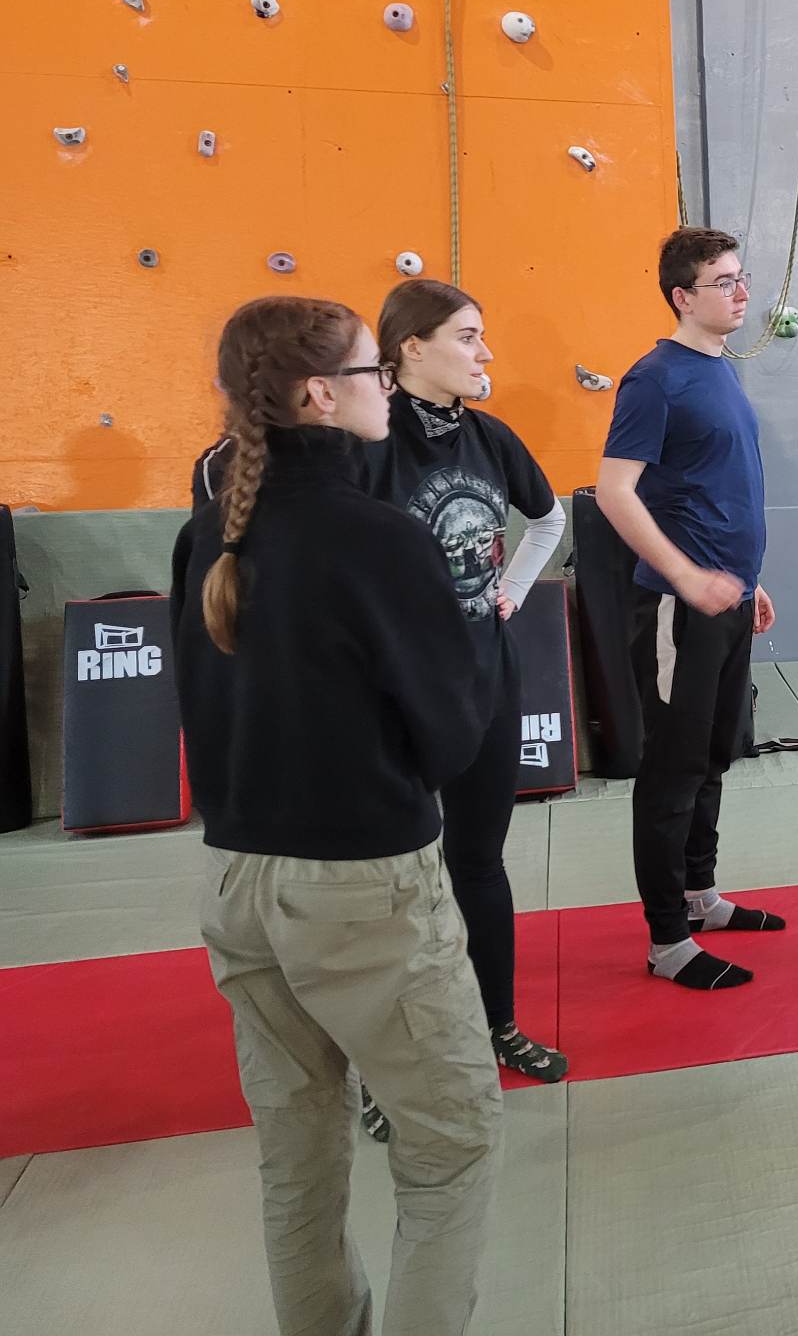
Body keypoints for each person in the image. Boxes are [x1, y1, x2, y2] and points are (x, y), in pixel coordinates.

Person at [172, 296, 500, 1334]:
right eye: (373, 373)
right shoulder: (379, 539)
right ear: (321, 393)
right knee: (451, 1145)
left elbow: (199, 714)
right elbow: (450, 734)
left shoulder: (208, 533)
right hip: (361, 885)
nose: (386, 391)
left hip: (238, 879)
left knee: (298, 1155)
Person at [360, 279, 570, 1079]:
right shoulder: (366, 442)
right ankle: (386, 1060)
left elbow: (548, 516)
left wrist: (508, 590)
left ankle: (496, 1024)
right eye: (468, 336)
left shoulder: (489, 436)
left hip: (484, 674)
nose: (485, 352)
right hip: (394, 693)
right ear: (412, 346)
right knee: (390, 878)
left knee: (479, 860)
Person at [596, 227, 782, 993]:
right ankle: (667, 939)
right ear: (682, 296)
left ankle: (700, 896)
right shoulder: (655, 379)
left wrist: (746, 580)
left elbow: (709, 488)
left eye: (742, 277)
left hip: (728, 596)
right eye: (723, 282)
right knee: (672, 771)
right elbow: (615, 490)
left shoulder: (718, 370)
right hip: (679, 605)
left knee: (712, 756)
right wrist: (685, 575)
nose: (742, 293)